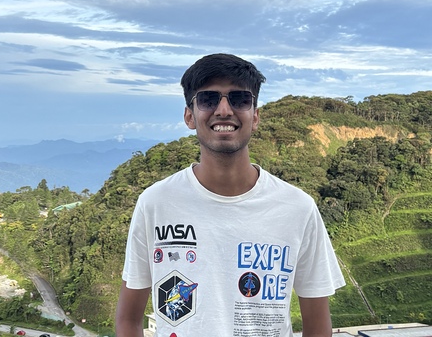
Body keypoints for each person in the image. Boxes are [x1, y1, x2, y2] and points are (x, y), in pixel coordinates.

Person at [116, 53, 345, 337]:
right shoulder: (155, 203)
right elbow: (128, 320)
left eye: (239, 99)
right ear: (189, 115)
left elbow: (318, 326)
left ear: (255, 116)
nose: (224, 110)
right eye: (209, 99)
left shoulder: (298, 208)